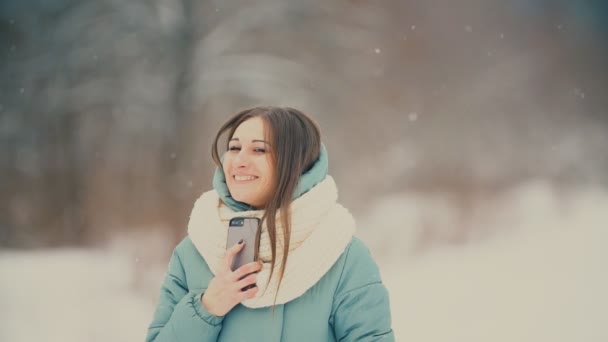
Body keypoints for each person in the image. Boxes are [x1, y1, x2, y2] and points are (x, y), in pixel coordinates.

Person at [146, 106, 394, 341]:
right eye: (234, 148)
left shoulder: (343, 255)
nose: (239, 160)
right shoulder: (193, 251)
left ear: (295, 163)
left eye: (259, 150)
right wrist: (207, 307)